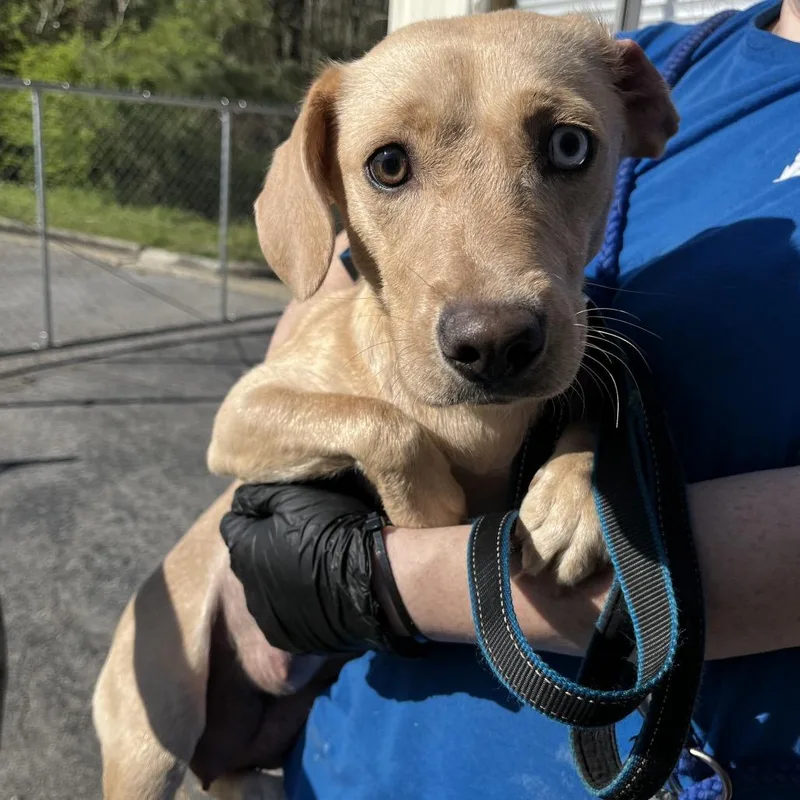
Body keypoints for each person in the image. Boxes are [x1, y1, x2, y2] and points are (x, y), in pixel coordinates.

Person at [213, 1, 800, 797]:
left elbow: (610, 392)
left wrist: (378, 578)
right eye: (391, 167)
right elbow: (308, 327)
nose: (488, 308)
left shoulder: (596, 80)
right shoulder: (659, 60)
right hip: (343, 755)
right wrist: (235, 549)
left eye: (564, 149)